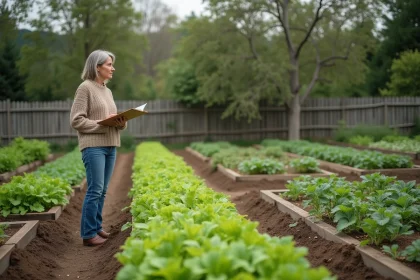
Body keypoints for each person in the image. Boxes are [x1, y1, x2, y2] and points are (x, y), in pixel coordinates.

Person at [70, 50, 127, 246]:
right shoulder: (84, 88)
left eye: (112, 64)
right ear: (97, 67)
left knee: (102, 191)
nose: (113, 68)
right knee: (95, 189)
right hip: (94, 147)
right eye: (109, 64)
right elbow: (76, 120)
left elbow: (111, 117)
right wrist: (102, 125)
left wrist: (121, 121)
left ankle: (96, 226)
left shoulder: (107, 91)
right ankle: (88, 234)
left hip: (111, 145)